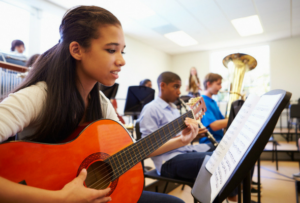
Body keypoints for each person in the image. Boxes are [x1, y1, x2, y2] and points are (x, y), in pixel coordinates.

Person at [0, 6, 188, 203]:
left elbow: (130, 150)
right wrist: (60, 198)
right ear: (76, 50)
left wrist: (181, 140)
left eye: (122, 51)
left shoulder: (101, 103)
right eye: (111, 50)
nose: (122, 60)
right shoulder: (38, 96)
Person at [139, 71, 214, 181]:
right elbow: (147, 149)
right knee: (216, 158)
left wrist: (194, 135)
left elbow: (179, 136)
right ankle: (233, 195)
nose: (179, 92)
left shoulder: (174, 108)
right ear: (162, 86)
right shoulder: (150, 109)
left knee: (222, 149)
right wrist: (182, 139)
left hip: (184, 150)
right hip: (168, 161)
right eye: (175, 87)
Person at [200, 73, 228, 144]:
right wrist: (236, 120)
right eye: (218, 84)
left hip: (218, 140)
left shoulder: (213, 102)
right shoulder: (203, 101)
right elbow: (214, 126)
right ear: (208, 84)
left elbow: (223, 121)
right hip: (209, 142)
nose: (221, 87)